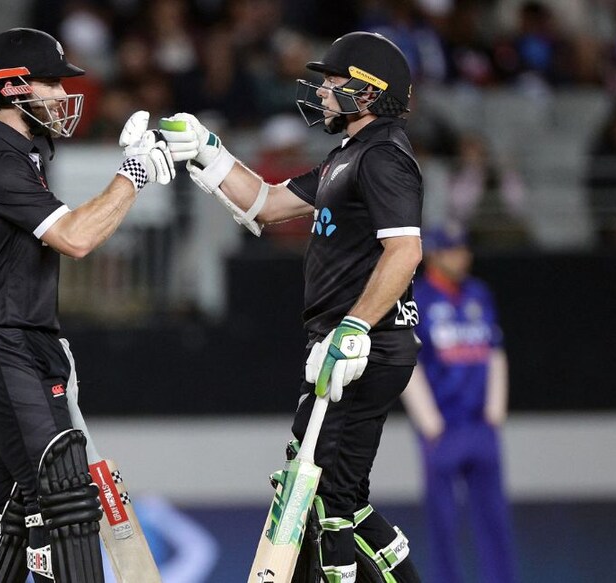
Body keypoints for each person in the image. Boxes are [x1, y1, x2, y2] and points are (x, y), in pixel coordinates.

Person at [161, 31, 423, 583]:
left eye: (334, 82)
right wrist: (208, 150)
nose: (322, 91)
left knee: (320, 499)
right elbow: (266, 203)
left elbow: (405, 250)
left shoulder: (383, 155)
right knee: (338, 499)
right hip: (348, 346)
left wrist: (353, 328)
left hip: (362, 348)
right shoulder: (348, 156)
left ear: (368, 92)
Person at [0, 28, 175, 583]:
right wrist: (134, 172)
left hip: (7, 338)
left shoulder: (17, 156)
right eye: (50, 82)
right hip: (3, 341)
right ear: (13, 86)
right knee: (61, 499)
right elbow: (75, 237)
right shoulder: (2, 161)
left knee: (7, 511)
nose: (61, 94)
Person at [399, 224, 514, 583]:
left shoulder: (479, 294)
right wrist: (428, 421)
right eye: (453, 250)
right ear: (434, 255)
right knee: (443, 522)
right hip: (443, 428)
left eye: (464, 249)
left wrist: (496, 409)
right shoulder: (417, 299)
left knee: (494, 517)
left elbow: (495, 351)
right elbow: (407, 361)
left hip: (480, 424)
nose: (462, 257)